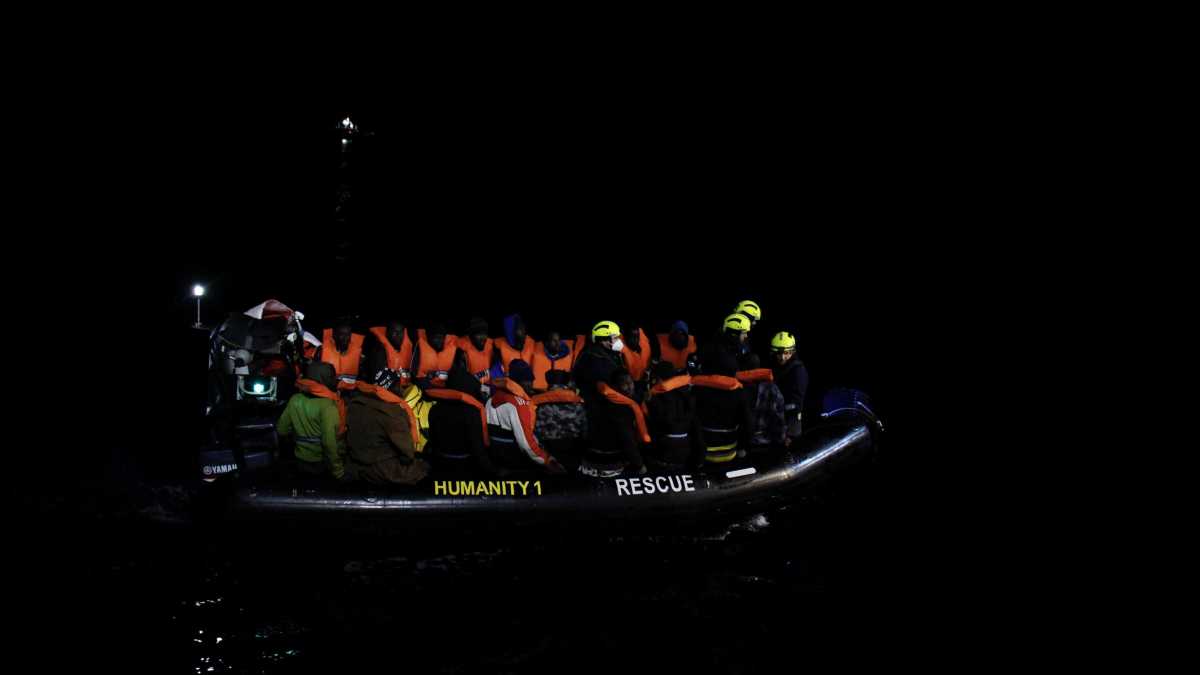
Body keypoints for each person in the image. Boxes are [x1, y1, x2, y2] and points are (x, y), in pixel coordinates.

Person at [485, 360, 566, 474]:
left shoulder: (492, 398)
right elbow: (526, 445)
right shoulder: (518, 405)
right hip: (512, 460)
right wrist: (547, 460)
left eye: (531, 379)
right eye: (527, 380)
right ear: (517, 382)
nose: (531, 384)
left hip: (495, 457)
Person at [345, 378, 431, 485]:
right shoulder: (394, 412)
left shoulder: (356, 403)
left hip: (355, 465)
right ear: (393, 388)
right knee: (424, 468)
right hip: (381, 469)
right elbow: (407, 453)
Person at [424, 364, 499, 476]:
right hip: (464, 465)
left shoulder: (435, 409)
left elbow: (433, 442)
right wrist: (493, 471)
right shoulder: (472, 413)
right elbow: (477, 448)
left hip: (441, 464)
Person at [276, 362, 346, 479]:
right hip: (321, 464)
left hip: (299, 460)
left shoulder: (295, 399)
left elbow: (281, 430)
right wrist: (338, 471)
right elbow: (329, 443)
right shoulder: (328, 405)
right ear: (326, 379)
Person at [580, 368, 649, 477]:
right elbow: (627, 441)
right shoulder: (623, 410)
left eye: (630, 382)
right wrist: (639, 465)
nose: (630, 387)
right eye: (624, 383)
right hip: (608, 466)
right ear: (615, 386)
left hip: (586, 462)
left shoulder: (595, 400)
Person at [692, 350, 754, 464]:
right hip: (730, 452)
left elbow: (692, 422)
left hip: (703, 454)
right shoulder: (740, 393)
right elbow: (748, 424)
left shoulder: (698, 390)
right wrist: (742, 447)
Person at [643, 361, 705, 471]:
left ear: (659, 378)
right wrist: (700, 456)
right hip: (685, 450)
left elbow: (653, 426)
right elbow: (696, 428)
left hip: (663, 452)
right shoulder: (688, 395)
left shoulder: (655, 398)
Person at [531, 370, 588, 465]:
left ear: (548, 381)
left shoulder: (536, 403)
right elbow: (585, 432)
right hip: (573, 452)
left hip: (546, 454)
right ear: (566, 382)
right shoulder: (579, 404)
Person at [737, 353, 788, 448]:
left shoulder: (737, 388)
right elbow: (779, 416)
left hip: (744, 444)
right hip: (768, 442)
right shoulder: (772, 388)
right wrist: (781, 439)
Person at [572, 320, 626, 405]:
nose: (618, 340)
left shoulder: (607, 354)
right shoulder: (593, 358)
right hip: (599, 405)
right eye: (615, 337)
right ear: (604, 339)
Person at [770, 331, 809, 441]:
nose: (782, 357)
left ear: (793, 351)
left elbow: (797, 402)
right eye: (779, 353)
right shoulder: (774, 366)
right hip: (775, 419)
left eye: (786, 353)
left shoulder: (798, 370)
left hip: (790, 420)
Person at [319, 319, 366, 389]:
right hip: (329, 389)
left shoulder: (358, 353)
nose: (345, 338)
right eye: (342, 334)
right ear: (335, 336)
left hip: (350, 389)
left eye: (347, 335)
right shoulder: (322, 350)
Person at [367, 320, 414, 387]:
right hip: (388, 391)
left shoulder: (407, 349)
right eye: (395, 331)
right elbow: (377, 381)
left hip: (406, 388)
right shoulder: (380, 351)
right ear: (387, 333)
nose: (398, 335)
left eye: (401, 332)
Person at [414, 322, 457, 389]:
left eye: (442, 337)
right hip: (424, 389)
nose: (440, 340)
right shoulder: (419, 352)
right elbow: (413, 373)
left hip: (443, 390)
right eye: (436, 337)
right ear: (429, 338)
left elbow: (454, 375)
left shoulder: (450, 354)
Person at [494, 313, 535, 377]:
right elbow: (495, 374)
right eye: (520, 329)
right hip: (509, 385)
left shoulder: (531, 343)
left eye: (523, 327)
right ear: (511, 332)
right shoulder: (498, 347)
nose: (524, 331)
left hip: (529, 385)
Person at [457, 317, 495, 384]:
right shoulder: (462, 353)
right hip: (472, 389)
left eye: (485, 333)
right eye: (479, 334)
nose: (483, 337)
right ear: (470, 336)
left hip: (490, 387)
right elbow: (462, 382)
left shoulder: (491, 348)